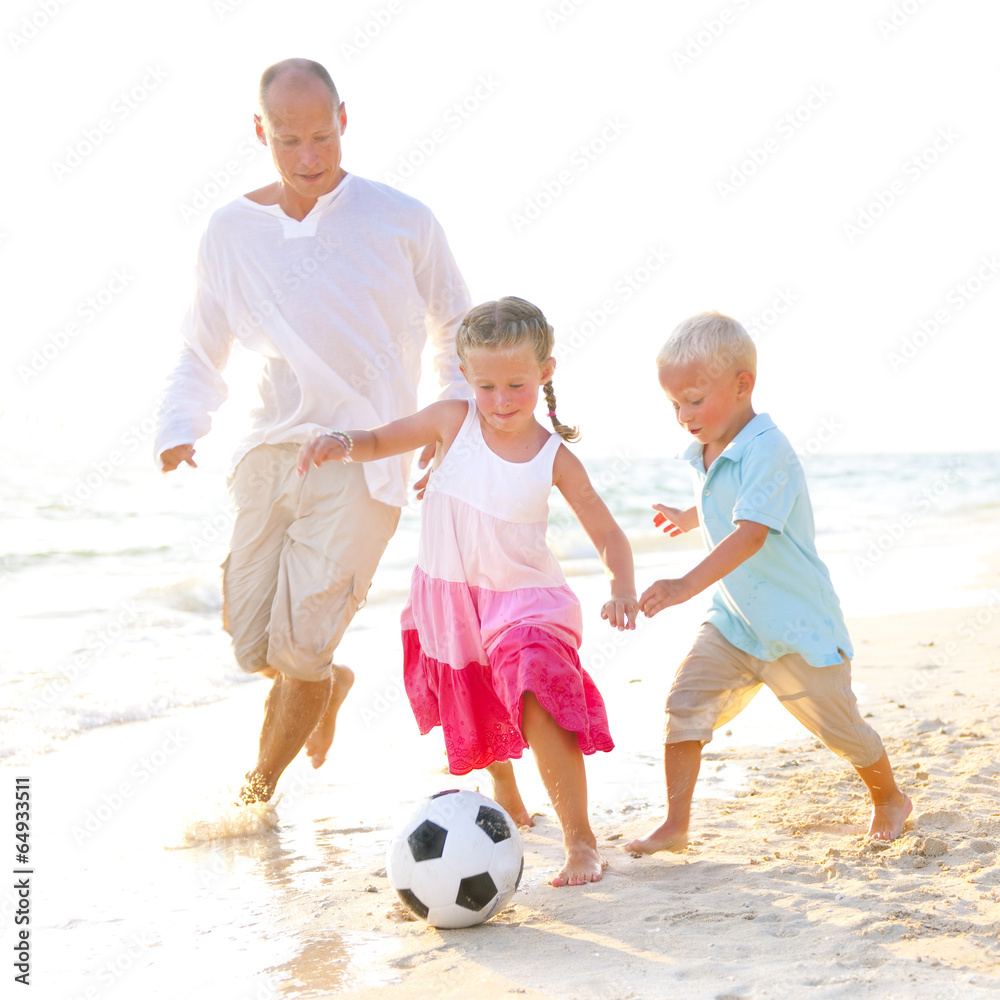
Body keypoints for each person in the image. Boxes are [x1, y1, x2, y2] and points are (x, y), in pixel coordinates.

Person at [154, 58, 472, 804]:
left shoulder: (402, 218)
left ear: (344, 122)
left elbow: (454, 322)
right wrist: (179, 422)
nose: (308, 159)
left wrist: (448, 417)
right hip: (269, 450)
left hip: (368, 455)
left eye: (321, 138)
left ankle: (256, 792)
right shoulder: (230, 231)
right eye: (288, 141)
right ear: (260, 132)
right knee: (249, 643)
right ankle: (329, 683)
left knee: (296, 651)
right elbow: (204, 343)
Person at [297, 296, 639, 886]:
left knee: (534, 685)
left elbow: (605, 528)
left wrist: (622, 584)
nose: (501, 401)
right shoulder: (451, 422)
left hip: (525, 600)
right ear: (466, 379)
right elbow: (381, 439)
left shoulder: (553, 456)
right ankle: (505, 785)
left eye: (516, 385)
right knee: (481, 697)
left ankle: (581, 842)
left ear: (545, 374)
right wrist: (342, 441)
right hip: (452, 598)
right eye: (486, 386)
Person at [624, 311, 912, 855]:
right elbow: (728, 499)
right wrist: (689, 516)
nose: (683, 415)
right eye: (674, 405)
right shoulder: (711, 446)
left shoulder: (769, 448)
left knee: (842, 728)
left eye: (693, 399)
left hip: (795, 624)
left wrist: (684, 585)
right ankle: (675, 824)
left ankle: (890, 798)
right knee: (684, 702)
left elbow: (751, 533)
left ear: (742, 385)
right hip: (734, 620)